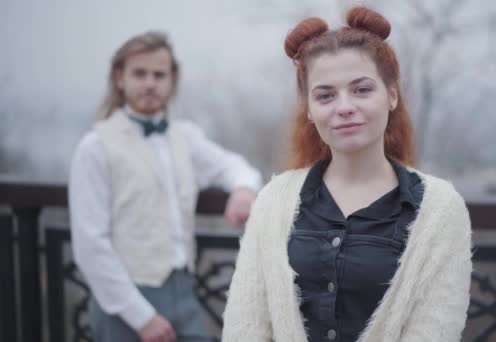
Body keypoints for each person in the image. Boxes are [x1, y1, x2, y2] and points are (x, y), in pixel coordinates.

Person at [222, 7, 472, 342]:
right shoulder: (273, 201)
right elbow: (245, 326)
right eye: (325, 95)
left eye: (361, 89)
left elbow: (436, 329)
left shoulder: (440, 210)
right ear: (309, 109)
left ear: (392, 95)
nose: (344, 107)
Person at [69, 31, 262, 342]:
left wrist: (243, 190)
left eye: (159, 75)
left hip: (184, 291)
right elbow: (90, 245)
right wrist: (141, 317)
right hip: (123, 302)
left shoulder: (184, 136)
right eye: (139, 73)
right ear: (120, 78)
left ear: (172, 81)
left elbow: (235, 166)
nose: (150, 83)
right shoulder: (95, 147)